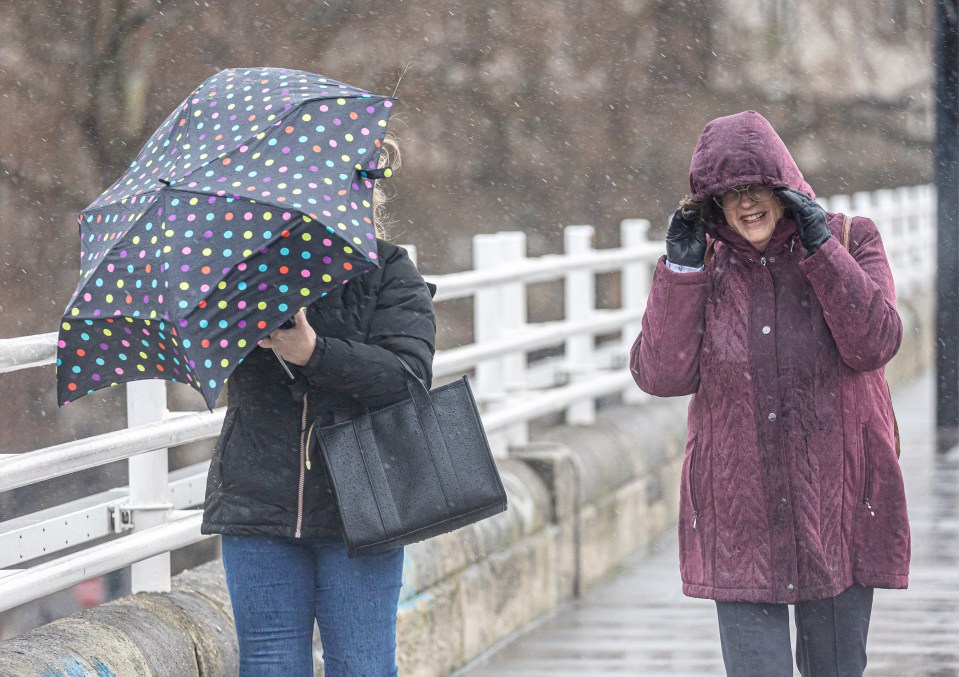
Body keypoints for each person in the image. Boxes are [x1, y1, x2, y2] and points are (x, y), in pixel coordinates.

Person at [629, 110, 909, 677]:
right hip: (739, 513)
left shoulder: (853, 238)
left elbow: (875, 342)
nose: (745, 204)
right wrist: (681, 274)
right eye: (728, 194)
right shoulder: (705, 264)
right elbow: (660, 374)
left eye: (756, 187)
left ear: (783, 185)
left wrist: (820, 249)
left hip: (837, 502)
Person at [201, 136, 436, 676]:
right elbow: (206, 356)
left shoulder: (390, 272)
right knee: (268, 664)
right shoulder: (241, 270)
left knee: (361, 665)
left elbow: (407, 379)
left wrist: (314, 351)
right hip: (258, 496)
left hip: (363, 500)